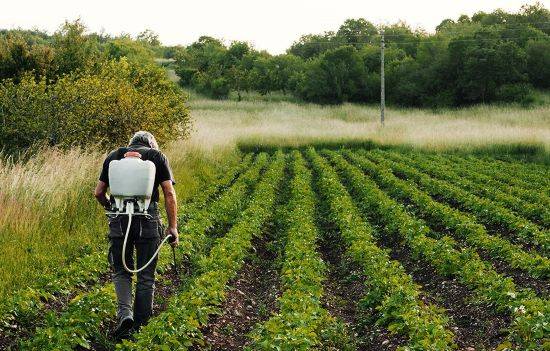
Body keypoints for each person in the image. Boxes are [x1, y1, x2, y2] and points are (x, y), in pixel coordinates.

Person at [94, 131, 179, 339]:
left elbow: (98, 192)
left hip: (119, 219)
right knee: (146, 275)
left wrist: (111, 207)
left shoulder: (114, 156)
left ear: (131, 144)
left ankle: (125, 316)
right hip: (148, 219)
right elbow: (169, 193)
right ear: (151, 144)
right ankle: (141, 328)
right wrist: (173, 227)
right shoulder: (158, 157)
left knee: (121, 271)